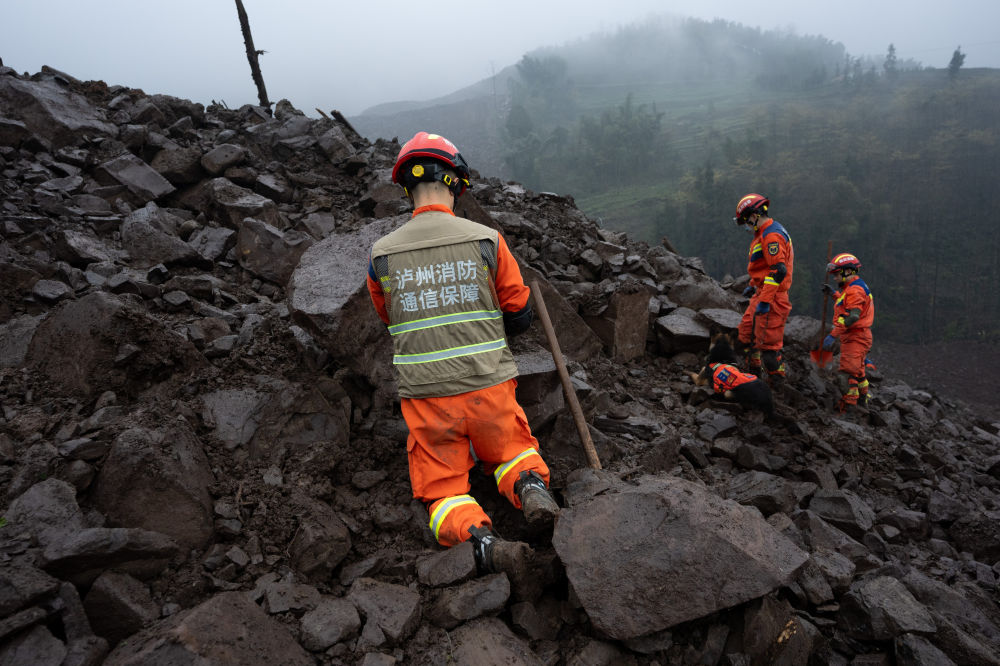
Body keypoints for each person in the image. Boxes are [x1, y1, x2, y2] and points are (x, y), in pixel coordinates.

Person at [365, 131, 559, 580]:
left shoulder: (381, 256)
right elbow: (519, 312)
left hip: (428, 398)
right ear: (455, 182)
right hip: (489, 384)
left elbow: (389, 318)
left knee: (443, 487)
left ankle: (483, 542)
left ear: (406, 187)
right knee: (511, 448)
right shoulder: (487, 240)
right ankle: (529, 484)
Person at [733, 193, 794, 384]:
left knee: (768, 347)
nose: (746, 226)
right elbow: (764, 266)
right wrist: (753, 286)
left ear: (755, 215)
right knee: (746, 335)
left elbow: (778, 270)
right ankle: (753, 374)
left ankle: (778, 385)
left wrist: (765, 301)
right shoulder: (764, 233)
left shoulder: (771, 236)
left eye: (746, 221)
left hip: (773, 298)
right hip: (762, 293)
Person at [822, 253, 875, 410]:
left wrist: (833, 335)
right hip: (858, 336)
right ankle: (862, 402)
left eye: (837, 274)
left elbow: (852, 317)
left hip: (855, 337)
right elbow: (847, 303)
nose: (834, 278)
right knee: (858, 372)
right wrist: (834, 294)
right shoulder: (853, 287)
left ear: (849, 271)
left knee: (846, 374)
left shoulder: (854, 290)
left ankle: (850, 409)